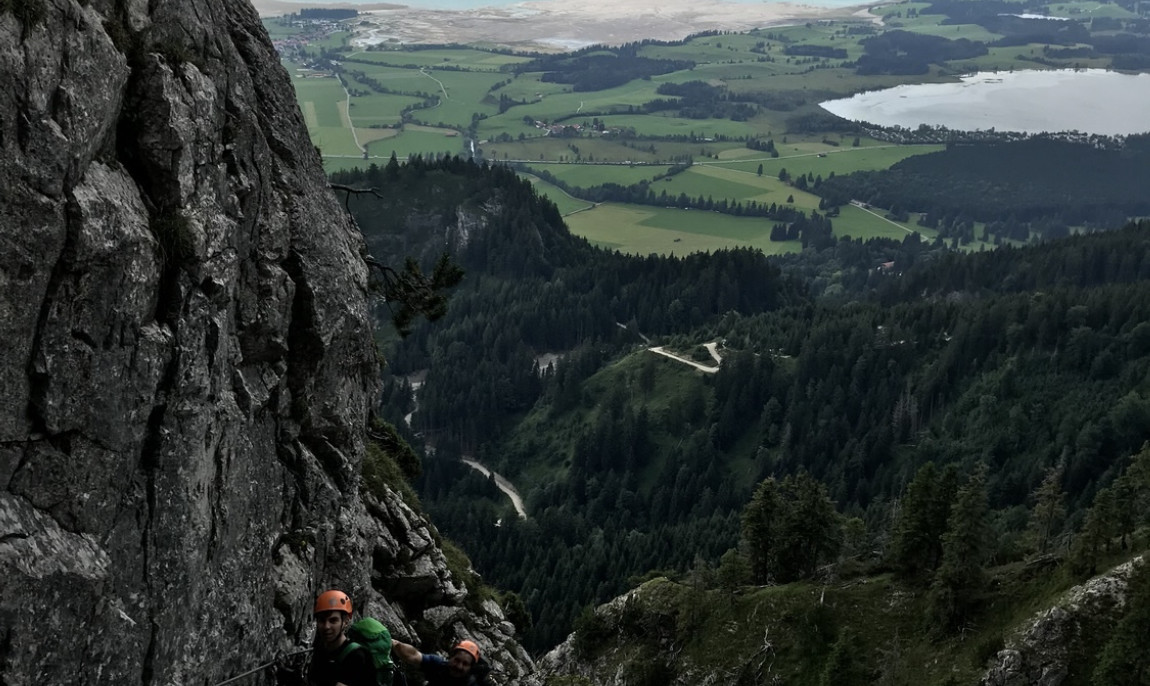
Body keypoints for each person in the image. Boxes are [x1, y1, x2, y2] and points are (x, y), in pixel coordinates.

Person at [308, 590, 377, 686]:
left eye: (333, 620)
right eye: (322, 620)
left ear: (345, 622)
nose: (326, 626)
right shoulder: (320, 650)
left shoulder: (357, 656)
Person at [391, 638, 486, 686]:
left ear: (471, 667)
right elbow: (413, 655)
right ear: (451, 657)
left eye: (465, 664)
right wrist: (395, 644)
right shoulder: (438, 665)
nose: (459, 666)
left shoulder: (472, 684)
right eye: (457, 660)